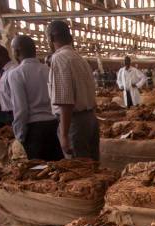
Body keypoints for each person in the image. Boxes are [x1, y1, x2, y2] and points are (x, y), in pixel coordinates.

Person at [47, 20, 99, 160]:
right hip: (90, 119)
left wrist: (64, 135)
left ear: (51, 38)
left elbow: (66, 100)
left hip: (75, 123)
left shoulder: (59, 58)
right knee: (93, 167)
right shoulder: (80, 59)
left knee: (79, 170)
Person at [8, 35, 62, 161]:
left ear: (17, 51)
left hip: (34, 129)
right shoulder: (48, 70)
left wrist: (20, 135)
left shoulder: (16, 74)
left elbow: (21, 109)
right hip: (54, 125)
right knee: (56, 168)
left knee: (39, 171)